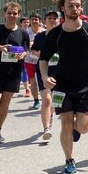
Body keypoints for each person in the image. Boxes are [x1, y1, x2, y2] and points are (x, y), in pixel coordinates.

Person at [39, 0, 88, 174]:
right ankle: (69, 160)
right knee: (66, 123)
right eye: (70, 6)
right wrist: (44, 77)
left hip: (84, 85)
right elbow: (43, 59)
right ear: (62, 8)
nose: (74, 8)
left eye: (77, 5)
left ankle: (76, 130)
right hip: (61, 86)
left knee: (83, 126)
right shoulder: (55, 34)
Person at [0, 2, 30, 144]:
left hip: (13, 73)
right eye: (9, 13)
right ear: (5, 14)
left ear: (19, 15)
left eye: (15, 13)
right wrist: (1, 47)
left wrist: (23, 55)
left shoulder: (23, 33)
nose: (12, 16)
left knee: (5, 104)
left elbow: (25, 50)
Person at [30, 11, 60, 141]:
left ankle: (51, 115)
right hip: (43, 71)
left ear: (59, 21)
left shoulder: (63, 35)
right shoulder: (40, 36)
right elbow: (33, 51)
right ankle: (46, 129)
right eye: (50, 18)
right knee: (47, 99)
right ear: (45, 21)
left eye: (55, 18)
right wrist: (43, 56)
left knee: (56, 100)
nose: (52, 20)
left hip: (59, 71)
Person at [24, 13, 44, 109]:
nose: (34, 21)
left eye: (36, 19)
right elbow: (24, 46)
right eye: (32, 19)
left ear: (40, 21)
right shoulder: (26, 33)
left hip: (43, 60)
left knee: (45, 79)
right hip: (30, 60)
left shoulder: (44, 32)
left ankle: (46, 98)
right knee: (33, 81)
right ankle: (36, 100)